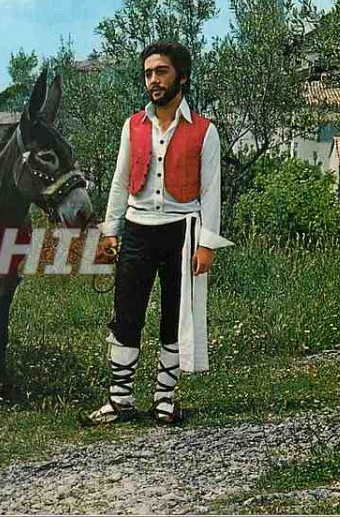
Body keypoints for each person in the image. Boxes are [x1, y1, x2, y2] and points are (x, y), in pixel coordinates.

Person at [85, 42, 233, 426]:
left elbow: (211, 192)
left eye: (161, 72)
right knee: (126, 315)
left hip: (182, 231)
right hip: (136, 229)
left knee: (174, 316)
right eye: (149, 73)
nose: (153, 80)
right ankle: (119, 400)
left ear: (181, 77)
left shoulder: (205, 131)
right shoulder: (132, 125)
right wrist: (109, 231)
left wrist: (207, 245)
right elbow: (120, 182)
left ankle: (164, 399)